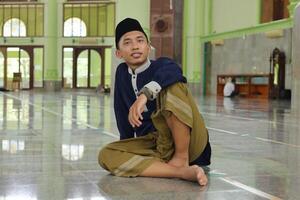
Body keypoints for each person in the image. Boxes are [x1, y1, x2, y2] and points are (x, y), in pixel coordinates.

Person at [98, 18, 211, 186]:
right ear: (119, 53)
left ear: (149, 47)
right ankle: (180, 172)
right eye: (127, 42)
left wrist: (144, 95)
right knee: (106, 155)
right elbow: (122, 114)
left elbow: (174, 71)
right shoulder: (122, 73)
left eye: (140, 40)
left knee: (173, 84)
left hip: (191, 143)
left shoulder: (162, 66)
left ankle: (181, 158)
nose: (135, 46)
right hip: (156, 144)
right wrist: (127, 146)